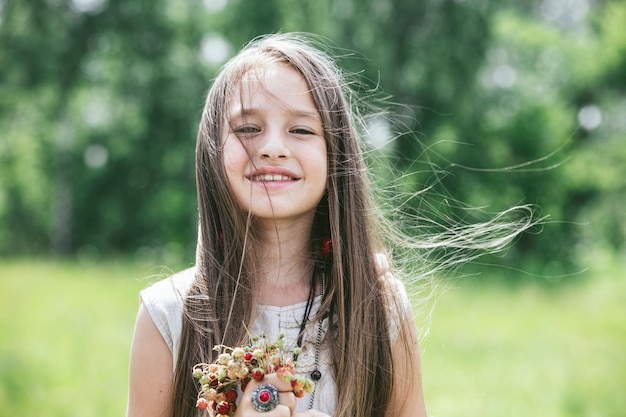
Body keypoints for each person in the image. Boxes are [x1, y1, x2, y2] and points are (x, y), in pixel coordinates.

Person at [126, 33, 534, 417]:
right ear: (213, 150)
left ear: (335, 154)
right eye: (248, 128)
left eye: (301, 129)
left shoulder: (377, 306)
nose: (272, 148)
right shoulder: (168, 315)